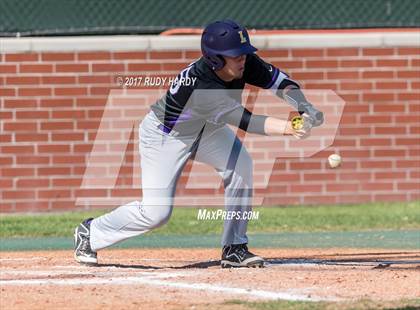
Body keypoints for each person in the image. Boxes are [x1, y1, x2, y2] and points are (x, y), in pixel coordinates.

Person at [74, 20, 323, 268]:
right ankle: (91, 231)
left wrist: (303, 106)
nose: (243, 59)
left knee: (241, 165)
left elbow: (280, 82)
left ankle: (234, 248)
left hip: (206, 129)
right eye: (235, 55)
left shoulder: (243, 64)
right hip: (166, 135)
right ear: (215, 59)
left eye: (243, 53)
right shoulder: (202, 86)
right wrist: (290, 128)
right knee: (156, 214)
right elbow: (247, 121)